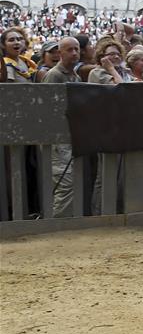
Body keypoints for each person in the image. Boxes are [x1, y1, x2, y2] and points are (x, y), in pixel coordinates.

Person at [42, 37, 81, 217]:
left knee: (69, 183)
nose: (74, 53)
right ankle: (58, 223)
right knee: (65, 183)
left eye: (76, 49)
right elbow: (47, 108)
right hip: (57, 138)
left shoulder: (75, 76)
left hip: (69, 135)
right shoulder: (54, 75)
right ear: (60, 53)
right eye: (69, 50)